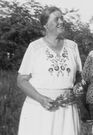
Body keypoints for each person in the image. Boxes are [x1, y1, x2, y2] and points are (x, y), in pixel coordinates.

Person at [17, 7, 82, 135]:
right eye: (56, 19)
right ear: (45, 25)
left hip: (67, 110)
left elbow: (79, 77)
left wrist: (77, 89)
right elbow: (21, 81)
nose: (61, 22)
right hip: (40, 110)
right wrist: (40, 99)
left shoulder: (72, 46)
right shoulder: (35, 47)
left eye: (62, 18)